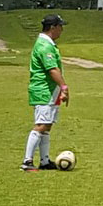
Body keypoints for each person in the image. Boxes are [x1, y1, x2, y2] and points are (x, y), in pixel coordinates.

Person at [23, 13, 68, 171]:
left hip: (49, 91)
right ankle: (27, 161)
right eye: (60, 26)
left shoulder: (47, 43)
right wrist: (64, 87)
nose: (61, 30)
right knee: (41, 125)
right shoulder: (44, 45)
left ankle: (44, 161)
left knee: (47, 126)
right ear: (53, 27)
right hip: (44, 90)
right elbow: (52, 69)